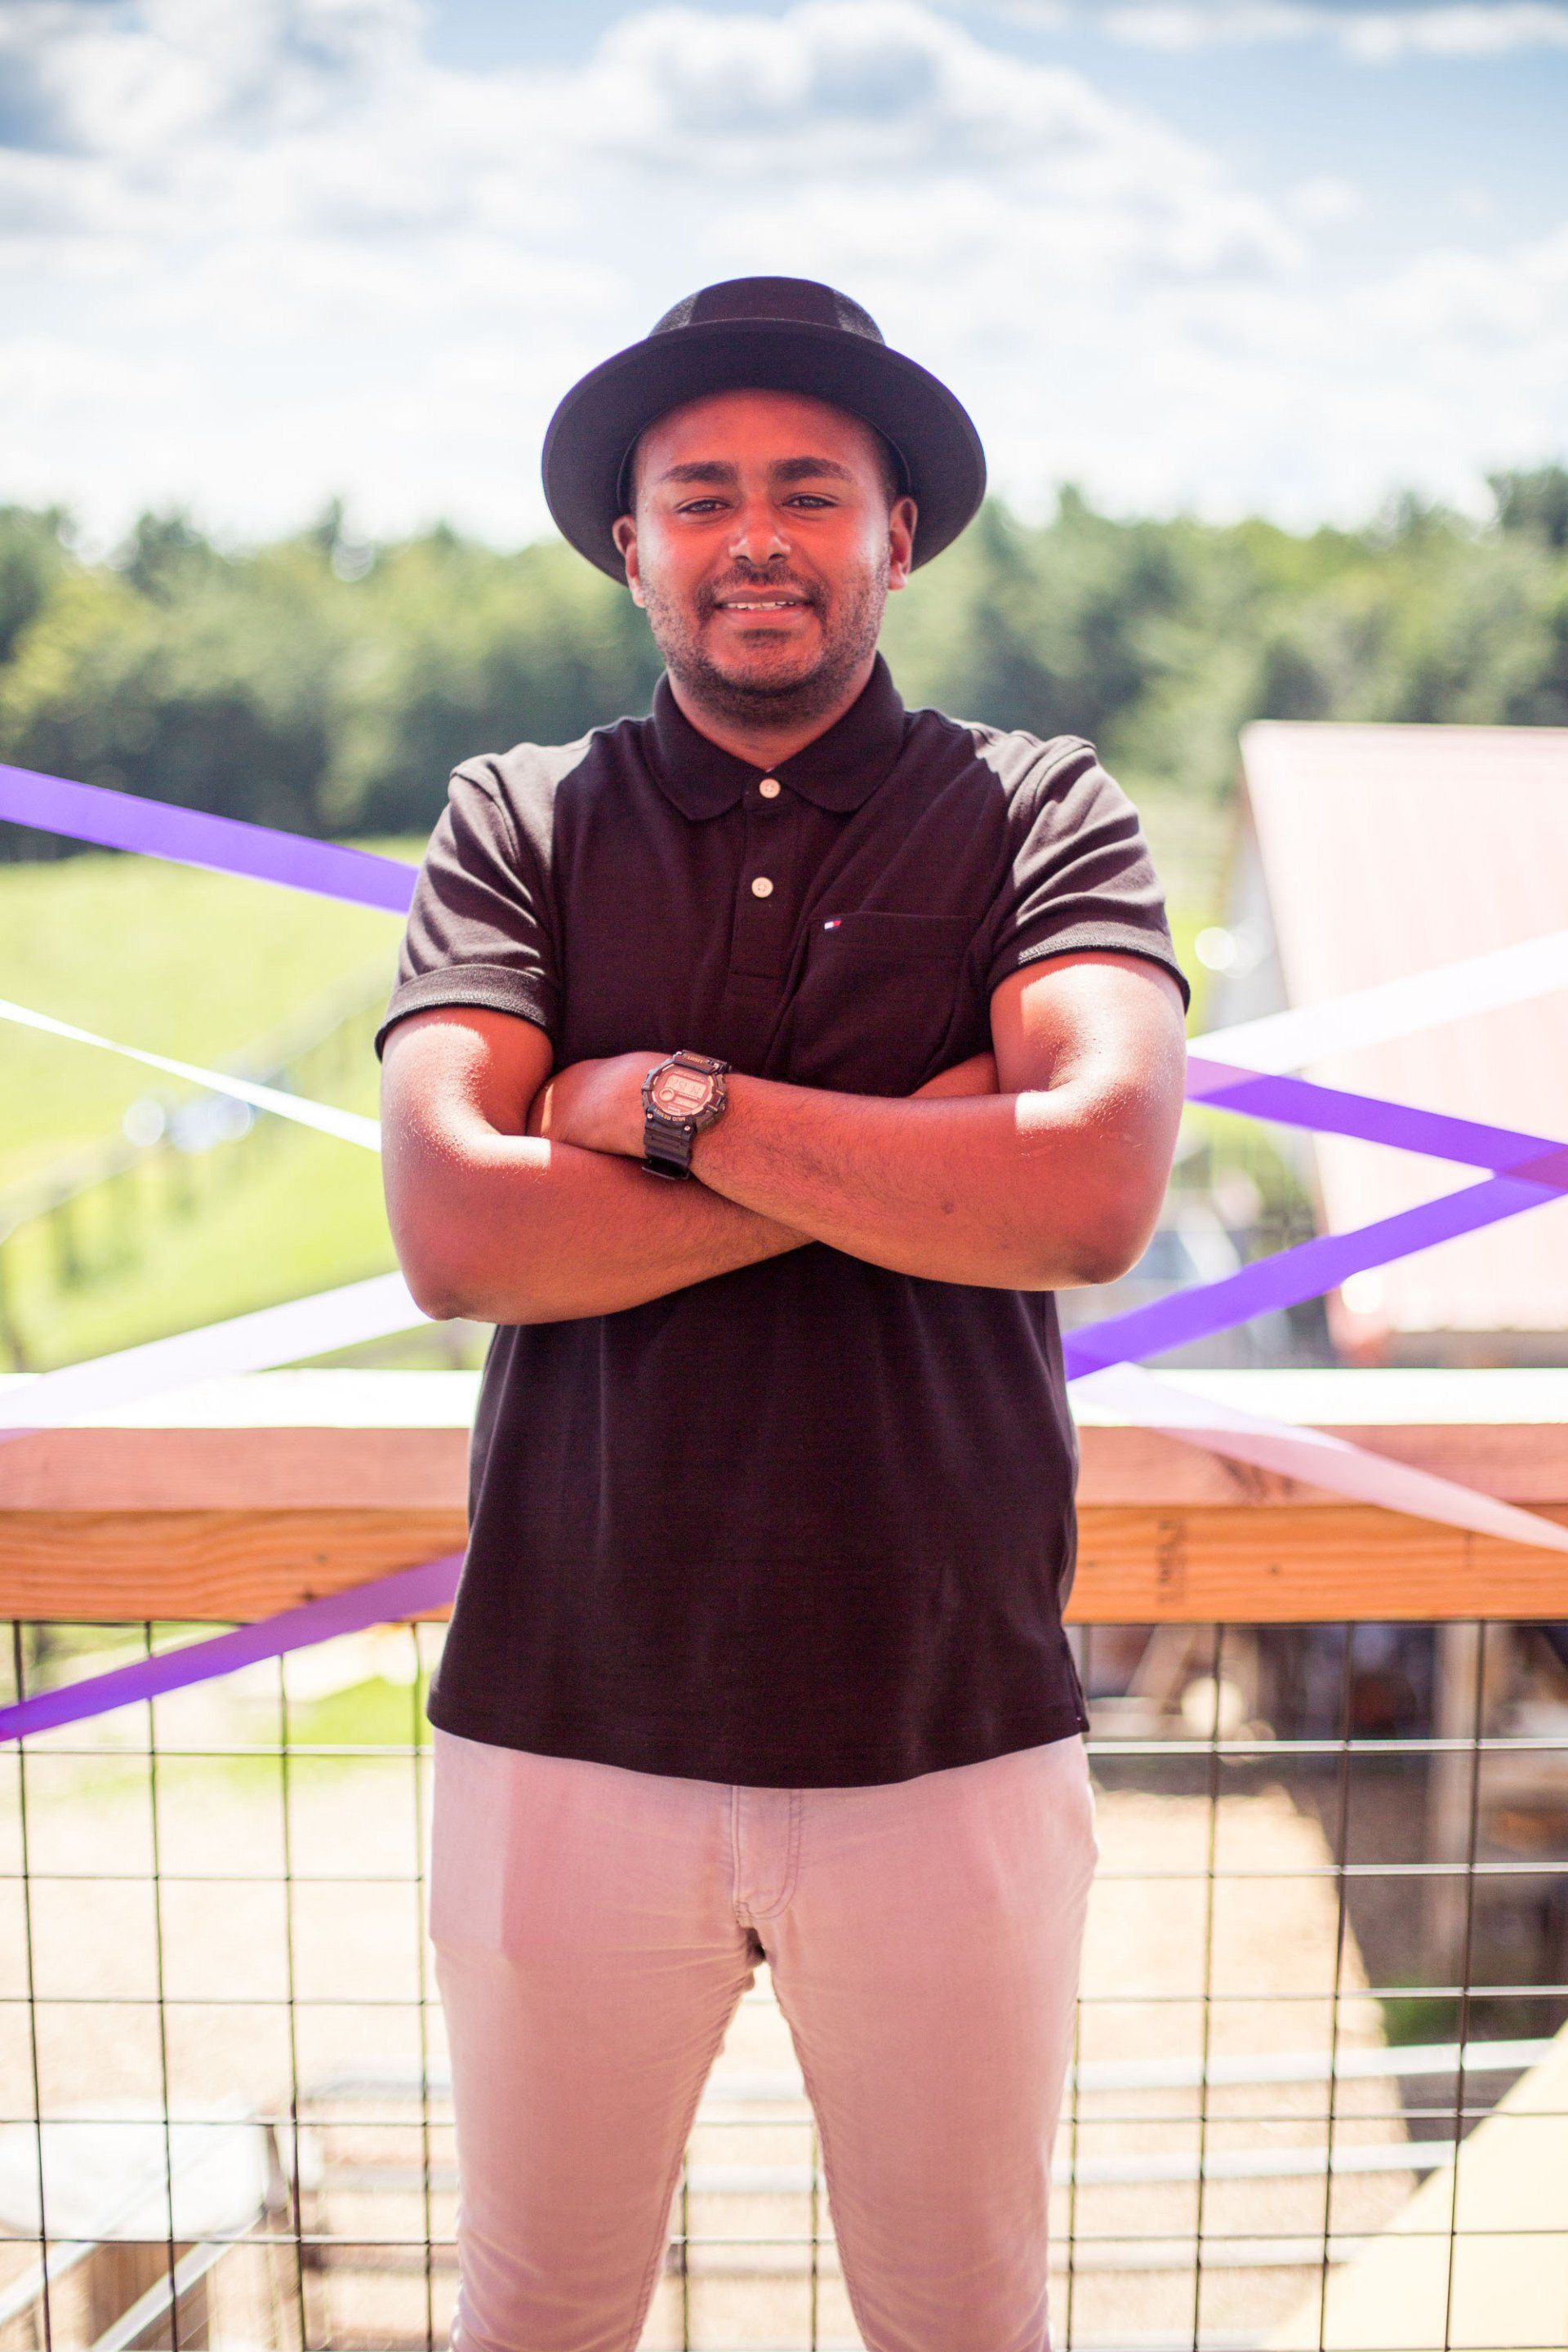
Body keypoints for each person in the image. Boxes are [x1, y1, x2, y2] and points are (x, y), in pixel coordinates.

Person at [375, 275, 1189, 2352]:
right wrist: (907, 1163)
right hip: (563, 1719)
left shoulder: (1035, 806)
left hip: (949, 1728)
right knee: (537, 2309)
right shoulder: (520, 818)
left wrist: (665, 1111)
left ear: (896, 531)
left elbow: (1092, 1191)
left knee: (963, 2314)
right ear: (627, 543)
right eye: (702, 493)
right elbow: (459, 1236)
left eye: (811, 490)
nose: (758, 534)